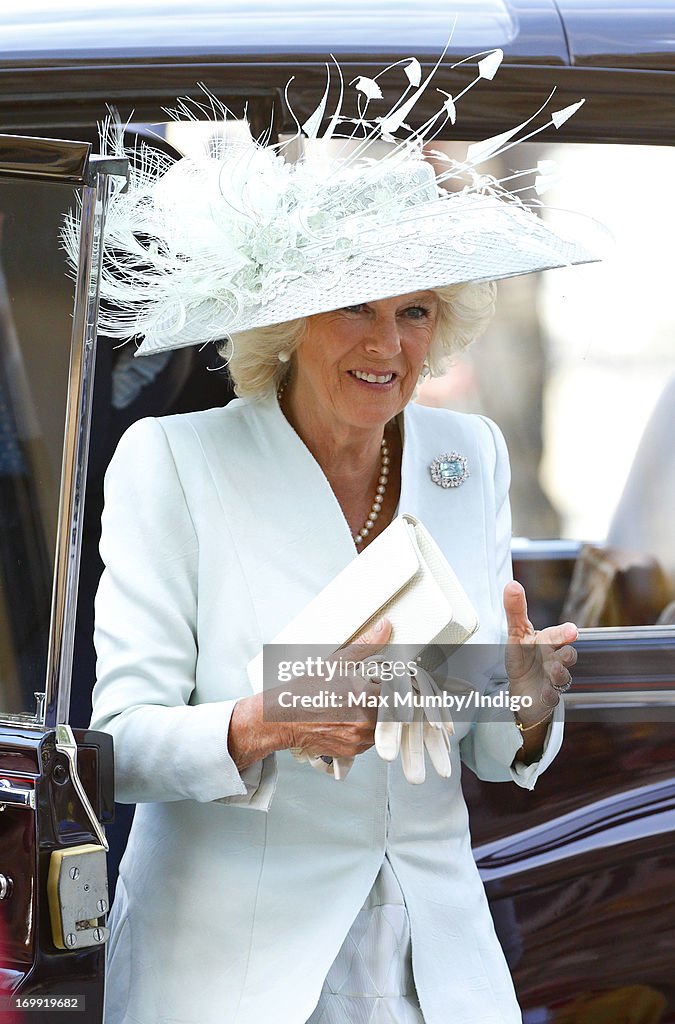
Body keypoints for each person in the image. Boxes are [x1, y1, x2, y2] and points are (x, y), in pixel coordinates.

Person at [80, 55, 598, 1024]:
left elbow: (488, 743)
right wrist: (264, 721)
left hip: (431, 965)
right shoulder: (173, 461)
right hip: (234, 973)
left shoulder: (468, 453)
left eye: (414, 310)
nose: (387, 343)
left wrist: (525, 700)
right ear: (287, 318)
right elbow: (117, 742)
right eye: (353, 303)